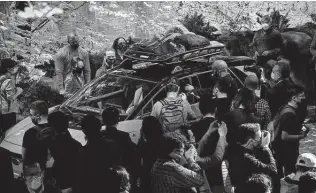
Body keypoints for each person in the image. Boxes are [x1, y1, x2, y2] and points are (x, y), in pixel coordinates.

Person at [73, 114, 121, 193]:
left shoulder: (82, 152)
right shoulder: (112, 145)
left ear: (84, 131)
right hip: (111, 185)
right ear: (99, 127)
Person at [272, 85, 308, 177]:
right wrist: (301, 136)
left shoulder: (284, 107)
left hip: (280, 149)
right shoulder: (289, 114)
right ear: (294, 98)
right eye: (302, 96)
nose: (304, 98)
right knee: (290, 175)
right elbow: (284, 136)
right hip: (287, 151)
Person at [227, 123, 277, 190]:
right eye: (259, 138)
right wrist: (265, 147)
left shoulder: (236, 150)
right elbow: (273, 170)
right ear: (251, 141)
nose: (261, 140)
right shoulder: (246, 157)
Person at [101, 107, 139, 192]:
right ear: (118, 119)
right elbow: (133, 155)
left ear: (103, 120)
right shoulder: (124, 136)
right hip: (120, 176)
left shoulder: (97, 136)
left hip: (101, 176)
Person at [44, 111, 82, 191]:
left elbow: (48, 164)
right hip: (71, 183)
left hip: (57, 182)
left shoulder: (49, 143)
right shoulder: (76, 144)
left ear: (51, 125)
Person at [195, 117, 228, 193]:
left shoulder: (185, 154)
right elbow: (216, 158)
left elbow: (198, 150)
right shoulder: (189, 159)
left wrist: (208, 132)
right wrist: (222, 136)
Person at [137, 116, 163, 193]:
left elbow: (137, 157)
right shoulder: (165, 142)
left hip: (148, 177)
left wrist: (141, 136)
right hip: (163, 176)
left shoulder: (144, 145)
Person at [22, 101, 49, 169]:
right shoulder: (57, 128)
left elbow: (24, 156)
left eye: (31, 114)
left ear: (37, 116)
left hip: (37, 172)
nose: (30, 117)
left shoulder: (30, 133)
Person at [0, 58, 23, 135]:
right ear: (8, 69)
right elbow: (10, 98)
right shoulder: (9, 80)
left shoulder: (1, 78)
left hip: (1, 109)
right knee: (8, 133)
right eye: (15, 66)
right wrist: (19, 92)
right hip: (8, 111)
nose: (16, 68)